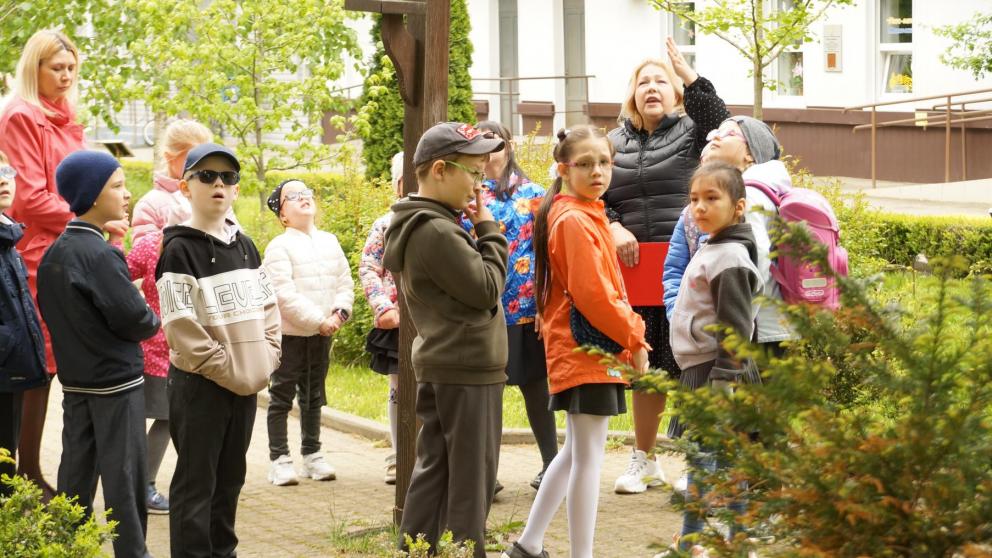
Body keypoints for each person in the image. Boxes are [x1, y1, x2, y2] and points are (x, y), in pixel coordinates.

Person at [502, 126, 650, 558]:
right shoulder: (573, 219)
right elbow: (594, 294)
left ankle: (529, 544)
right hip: (588, 350)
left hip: (584, 349)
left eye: (604, 162)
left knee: (573, 453)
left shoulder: (583, 213)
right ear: (564, 169)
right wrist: (635, 336)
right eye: (585, 164)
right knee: (588, 458)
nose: (597, 171)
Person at [607, 37, 730, 495]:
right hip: (637, 272)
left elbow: (725, 124)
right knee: (647, 369)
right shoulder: (613, 140)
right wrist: (613, 225)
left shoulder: (692, 132)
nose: (652, 88)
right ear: (632, 93)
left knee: (694, 366)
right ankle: (645, 460)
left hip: (687, 266)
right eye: (644, 82)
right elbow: (592, 194)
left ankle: (698, 463)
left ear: (675, 93)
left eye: (661, 80)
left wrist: (693, 79)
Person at [383, 122, 507, 557]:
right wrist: (490, 231)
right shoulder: (436, 230)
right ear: (440, 169)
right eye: (473, 171)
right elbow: (487, 289)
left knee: (434, 474)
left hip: (448, 362)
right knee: (472, 483)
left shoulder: (427, 223)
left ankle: (415, 551)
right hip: (467, 367)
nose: (479, 183)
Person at [155, 143, 281, 557]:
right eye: (206, 176)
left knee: (229, 483)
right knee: (196, 486)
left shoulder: (245, 246)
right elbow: (183, 331)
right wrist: (233, 369)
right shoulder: (178, 251)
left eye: (227, 177)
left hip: (243, 387)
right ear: (185, 186)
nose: (218, 184)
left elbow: (269, 311)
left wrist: (266, 359)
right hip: (200, 388)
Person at [37, 150, 161, 558]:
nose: (126, 195)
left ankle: (68, 549)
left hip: (76, 383)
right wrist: (151, 316)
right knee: (124, 482)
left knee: (75, 474)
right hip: (116, 384)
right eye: (117, 186)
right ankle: (133, 553)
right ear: (91, 196)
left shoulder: (56, 252)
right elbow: (137, 319)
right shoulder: (99, 255)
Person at [0, 30, 98, 499]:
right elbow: (31, 198)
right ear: (33, 68)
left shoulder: (65, 118)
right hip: (36, 253)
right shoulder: (21, 115)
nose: (65, 76)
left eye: (71, 68)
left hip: (64, 249)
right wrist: (89, 221)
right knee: (35, 364)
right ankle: (23, 471)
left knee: (49, 364)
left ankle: (29, 469)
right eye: (55, 67)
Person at [666, 161, 762, 554]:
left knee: (710, 462)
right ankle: (716, 542)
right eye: (693, 200)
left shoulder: (729, 258)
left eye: (711, 198)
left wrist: (725, 381)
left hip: (717, 375)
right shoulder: (715, 248)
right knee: (714, 461)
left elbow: (735, 327)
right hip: (704, 371)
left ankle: (709, 543)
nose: (699, 208)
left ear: (738, 207)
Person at [459, 120, 559, 490]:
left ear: (510, 145)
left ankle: (552, 464)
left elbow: (550, 254)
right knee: (489, 395)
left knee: (537, 389)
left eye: (495, 146)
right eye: (481, 149)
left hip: (528, 311)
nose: (489, 156)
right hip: (485, 310)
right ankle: (487, 473)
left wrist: (547, 305)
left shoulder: (535, 194)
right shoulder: (468, 196)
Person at [263, 178, 353, 486]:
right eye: (293, 196)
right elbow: (283, 294)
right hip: (291, 336)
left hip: (323, 334)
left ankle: (312, 454)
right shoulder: (279, 246)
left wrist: (339, 312)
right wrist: (318, 320)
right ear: (283, 215)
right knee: (281, 395)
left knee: (314, 394)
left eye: (306, 193)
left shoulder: (329, 241)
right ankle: (279, 458)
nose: (304, 198)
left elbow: (345, 280)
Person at [0, 150, 48, 497]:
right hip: (5, 367)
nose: (3, 179)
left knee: (7, 458)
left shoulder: (9, 237)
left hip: (10, 372)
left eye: (6, 170)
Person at [359, 151, 404, 484]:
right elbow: (370, 267)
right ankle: (399, 452)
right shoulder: (385, 224)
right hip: (397, 320)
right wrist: (382, 306)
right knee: (398, 387)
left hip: (435, 322)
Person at [131, 119, 214, 244]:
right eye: (192, 159)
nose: (201, 166)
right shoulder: (149, 205)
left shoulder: (213, 193)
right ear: (169, 156)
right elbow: (144, 257)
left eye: (206, 159)